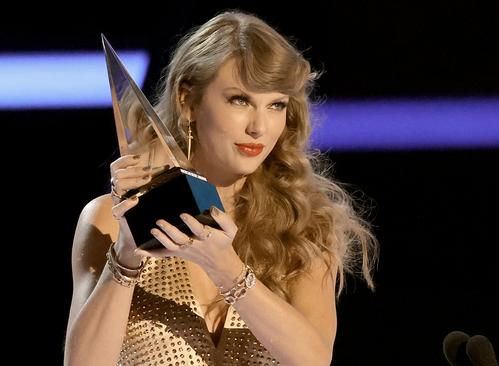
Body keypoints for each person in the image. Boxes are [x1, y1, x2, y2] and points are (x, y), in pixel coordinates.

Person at [64, 10, 377, 366]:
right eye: (240, 100)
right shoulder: (107, 218)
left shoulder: (304, 227)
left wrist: (227, 270)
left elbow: (314, 359)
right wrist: (126, 255)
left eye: (276, 105)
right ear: (188, 100)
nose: (259, 127)